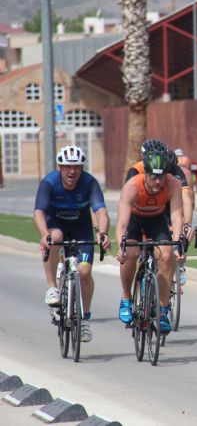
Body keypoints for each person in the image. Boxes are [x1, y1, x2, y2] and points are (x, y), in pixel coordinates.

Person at [33, 145, 111, 343]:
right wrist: (44, 235)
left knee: (84, 272)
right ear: (60, 167)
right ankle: (52, 286)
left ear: (82, 168)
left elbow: (101, 211)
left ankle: (84, 318)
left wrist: (102, 233)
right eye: (67, 166)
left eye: (76, 167)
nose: (72, 171)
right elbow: (39, 212)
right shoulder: (49, 183)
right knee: (54, 239)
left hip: (81, 228)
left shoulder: (89, 183)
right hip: (57, 225)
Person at [115, 150, 185, 334]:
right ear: (145, 174)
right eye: (153, 177)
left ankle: (162, 311)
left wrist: (178, 244)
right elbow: (122, 223)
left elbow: (177, 217)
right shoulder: (132, 186)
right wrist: (121, 246)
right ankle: (126, 298)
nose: (158, 182)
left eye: (162, 177)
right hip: (134, 220)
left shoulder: (172, 184)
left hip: (156, 220)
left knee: (167, 255)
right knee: (130, 253)